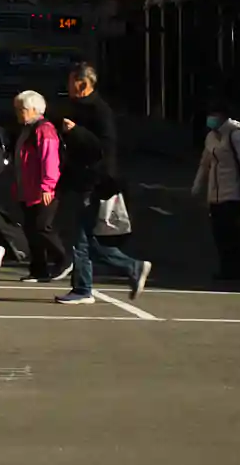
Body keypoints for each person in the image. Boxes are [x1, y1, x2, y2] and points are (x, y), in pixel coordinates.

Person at [54, 62, 149, 307]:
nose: (68, 85)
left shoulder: (99, 109)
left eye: (72, 80)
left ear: (83, 83)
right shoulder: (77, 106)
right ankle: (130, 267)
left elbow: (104, 148)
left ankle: (84, 287)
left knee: (81, 238)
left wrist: (77, 132)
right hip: (78, 179)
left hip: (92, 181)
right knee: (84, 238)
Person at [194, 98, 240, 282]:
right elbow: (205, 162)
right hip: (215, 193)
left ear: (223, 116)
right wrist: (197, 185)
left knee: (233, 234)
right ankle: (226, 268)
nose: (211, 119)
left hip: (233, 192)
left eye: (215, 115)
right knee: (219, 234)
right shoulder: (211, 137)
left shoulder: (235, 135)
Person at [9, 89, 68, 282]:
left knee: (42, 227)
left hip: (42, 190)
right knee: (31, 229)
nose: (18, 112)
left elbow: (49, 159)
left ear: (35, 110)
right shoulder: (27, 129)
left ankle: (63, 259)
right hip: (28, 190)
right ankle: (38, 269)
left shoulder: (44, 130)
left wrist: (47, 186)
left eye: (22, 109)